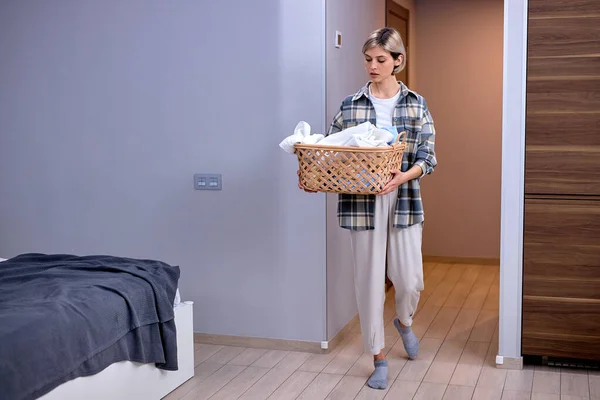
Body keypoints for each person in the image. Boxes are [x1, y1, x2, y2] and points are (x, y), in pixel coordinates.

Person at [298, 27, 437, 390]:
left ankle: (404, 322)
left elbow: (428, 157)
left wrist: (402, 176)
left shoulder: (416, 103)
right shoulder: (350, 105)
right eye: (368, 60)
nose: (372, 67)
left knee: (410, 281)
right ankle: (378, 357)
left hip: (404, 199)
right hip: (362, 203)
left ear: (398, 61)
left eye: (380, 60)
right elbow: (331, 151)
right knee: (370, 284)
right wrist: (320, 173)